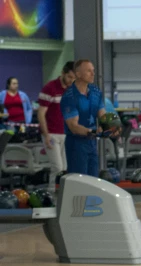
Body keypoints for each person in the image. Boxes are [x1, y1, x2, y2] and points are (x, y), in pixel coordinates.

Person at [60, 59, 107, 177]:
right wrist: (93, 131)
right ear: (78, 74)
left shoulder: (95, 91)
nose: (93, 74)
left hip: (92, 142)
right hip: (76, 144)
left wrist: (109, 126)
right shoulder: (69, 96)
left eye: (93, 71)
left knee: (93, 180)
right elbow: (73, 126)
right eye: (88, 71)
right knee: (80, 182)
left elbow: (102, 114)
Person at [37, 61, 76, 192]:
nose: (72, 80)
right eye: (70, 77)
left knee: (65, 169)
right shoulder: (50, 88)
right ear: (63, 73)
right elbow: (41, 113)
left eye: (74, 78)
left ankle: (63, 196)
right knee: (57, 167)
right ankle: (52, 194)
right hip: (52, 134)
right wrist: (46, 134)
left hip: (66, 133)